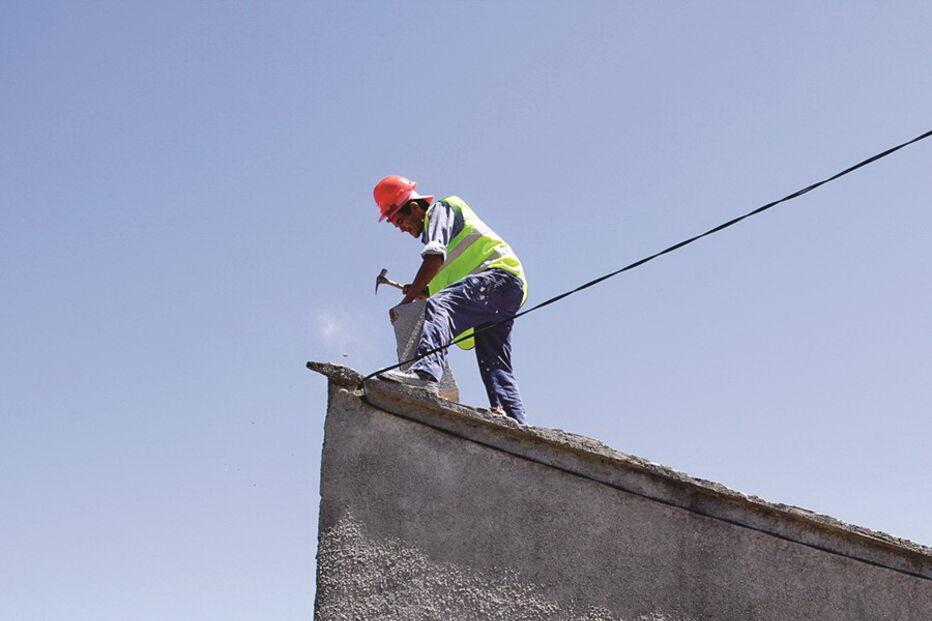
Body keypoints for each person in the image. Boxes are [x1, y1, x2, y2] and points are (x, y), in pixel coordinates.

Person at [373, 175, 529, 423]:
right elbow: (443, 281)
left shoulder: (441, 210)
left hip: (496, 278)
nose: (402, 228)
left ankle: (425, 374)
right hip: (500, 290)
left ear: (414, 207)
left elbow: (434, 260)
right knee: (494, 362)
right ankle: (514, 419)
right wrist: (418, 290)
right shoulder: (443, 240)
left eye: (400, 220)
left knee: (439, 306)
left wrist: (407, 302)